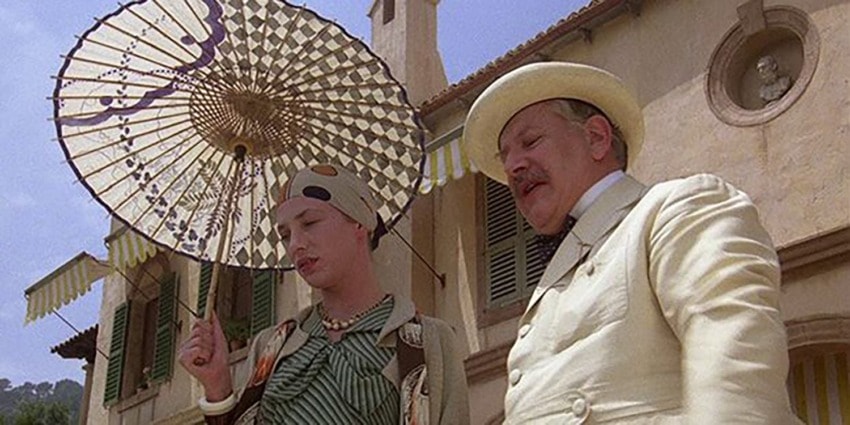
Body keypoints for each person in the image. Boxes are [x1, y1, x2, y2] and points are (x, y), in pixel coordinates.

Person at [463, 62, 801, 424]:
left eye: (530, 142)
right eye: (505, 155)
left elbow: (736, 359)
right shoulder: (548, 287)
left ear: (596, 137)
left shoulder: (675, 207)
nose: (512, 166)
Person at [178, 163, 469, 424]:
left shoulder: (427, 342)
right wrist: (217, 387)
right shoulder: (271, 346)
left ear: (360, 222)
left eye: (309, 223)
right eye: (285, 235)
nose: (296, 245)